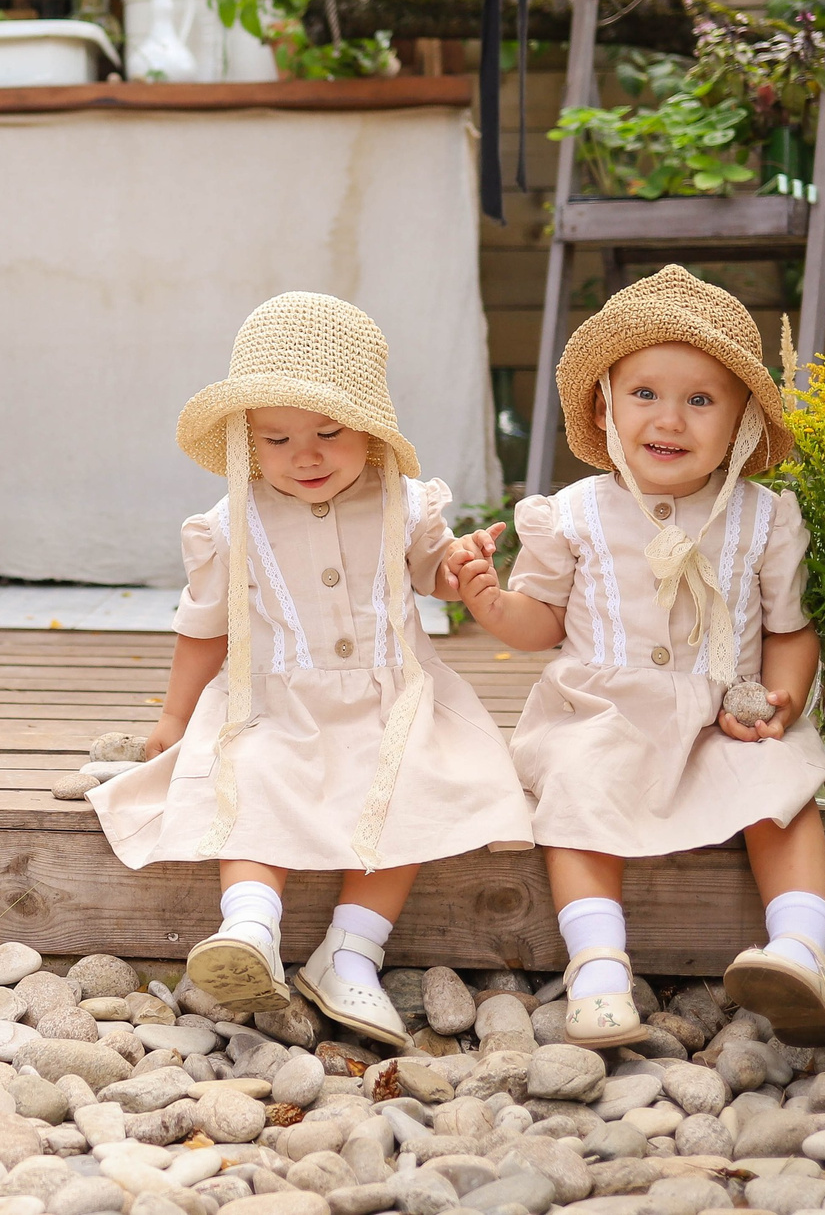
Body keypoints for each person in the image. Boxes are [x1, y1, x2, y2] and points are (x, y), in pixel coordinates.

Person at [90, 292, 533, 1048]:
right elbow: (205, 627)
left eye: (331, 432)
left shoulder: (404, 502)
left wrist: (458, 563)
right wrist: (173, 717)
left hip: (392, 701)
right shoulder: (233, 521)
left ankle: (351, 954)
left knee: (413, 792)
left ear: (371, 431)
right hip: (277, 703)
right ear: (246, 442)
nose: (307, 455)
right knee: (254, 779)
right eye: (278, 438)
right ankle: (251, 932)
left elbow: (432, 574)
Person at [449, 266, 825, 1049]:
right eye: (645, 395)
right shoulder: (574, 514)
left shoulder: (764, 519)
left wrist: (783, 701)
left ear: (741, 423)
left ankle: (801, 953)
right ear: (606, 406)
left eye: (701, 400)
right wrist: (488, 602)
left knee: (782, 789)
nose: (670, 419)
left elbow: (793, 630)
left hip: (719, 716)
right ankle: (597, 968)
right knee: (577, 794)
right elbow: (542, 622)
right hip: (605, 713)